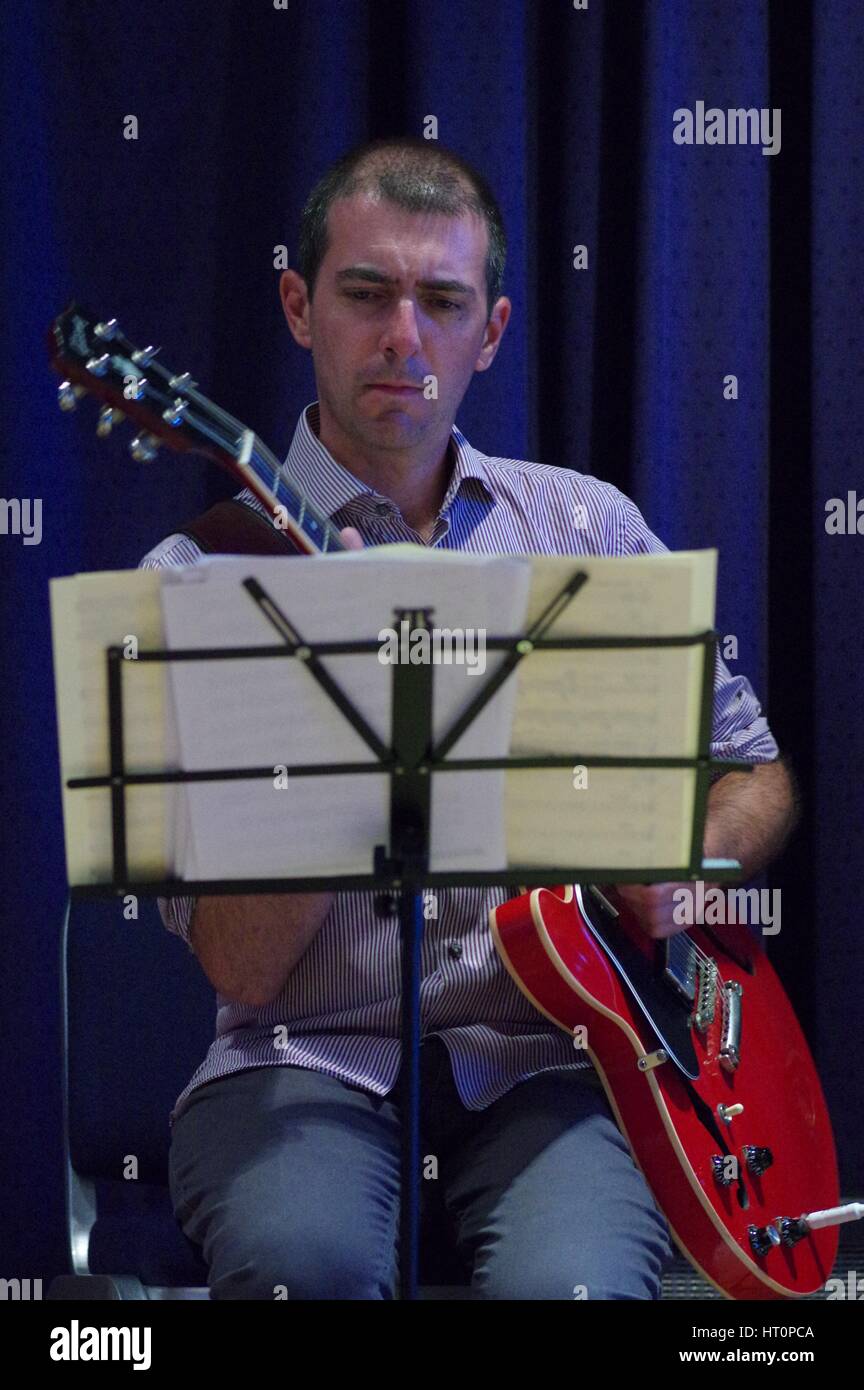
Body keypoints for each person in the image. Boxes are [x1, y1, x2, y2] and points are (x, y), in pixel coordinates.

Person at [140, 136, 798, 1300]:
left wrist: (683, 873)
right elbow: (241, 961)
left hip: (561, 1055)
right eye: (365, 294)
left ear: (489, 332)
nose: (405, 337)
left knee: (575, 1292)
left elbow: (753, 771)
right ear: (299, 306)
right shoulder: (206, 577)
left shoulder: (585, 528)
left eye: (443, 300)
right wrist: (345, 706)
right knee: (310, 1270)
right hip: (303, 1060)